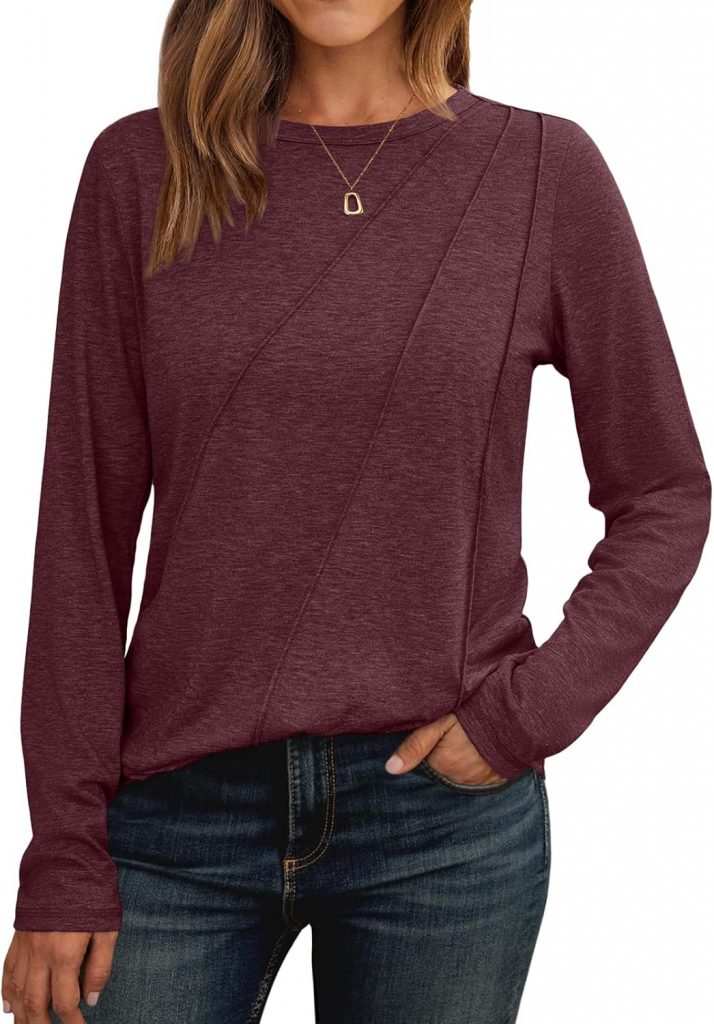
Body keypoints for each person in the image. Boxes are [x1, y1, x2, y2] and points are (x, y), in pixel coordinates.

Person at [3, 1, 710, 1022]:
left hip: (443, 832)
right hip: (172, 819)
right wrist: (64, 851)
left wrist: (528, 713)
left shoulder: (542, 172)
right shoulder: (141, 171)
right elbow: (81, 539)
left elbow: (665, 491)